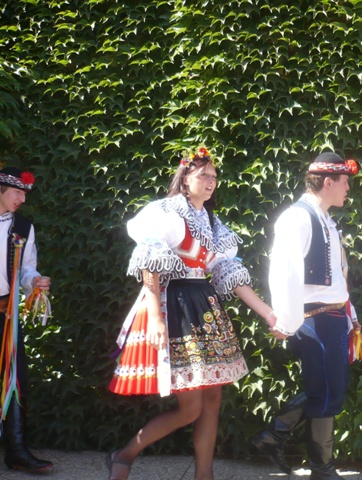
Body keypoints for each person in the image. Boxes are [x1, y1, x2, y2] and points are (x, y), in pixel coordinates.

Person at [107, 148, 276, 480]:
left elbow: (229, 273)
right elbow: (150, 264)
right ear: (185, 179)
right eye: (203, 176)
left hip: (204, 305)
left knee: (213, 398)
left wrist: (268, 314)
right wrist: (155, 318)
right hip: (176, 306)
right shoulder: (167, 213)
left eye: (214, 176)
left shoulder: (213, 223)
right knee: (191, 407)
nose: (211, 182)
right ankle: (124, 454)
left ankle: (204, 475)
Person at [253, 152, 361, 480]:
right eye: (344, 182)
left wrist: (350, 314)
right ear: (328, 182)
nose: (348, 189)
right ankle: (322, 470)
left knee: (326, 388)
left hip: (333, 318)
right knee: (327, 392)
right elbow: (285, 272)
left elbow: (337, 277)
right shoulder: (298, 218)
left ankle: (275, 435)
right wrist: (286, 321)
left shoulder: (325, 219)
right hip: (315, 319)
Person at [0, 166, 53, 473]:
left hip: (6, 314)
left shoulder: (23, 226)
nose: (22, 199)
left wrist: (34, 281)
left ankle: (17, 450)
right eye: (17, 192)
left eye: (24, 193)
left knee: (14, 378)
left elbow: (25, 270)